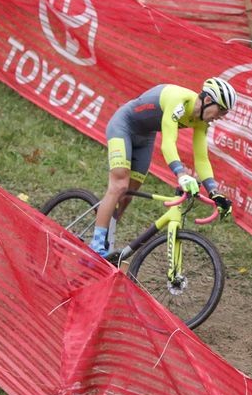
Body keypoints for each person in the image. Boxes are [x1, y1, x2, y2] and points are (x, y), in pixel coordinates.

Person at [88, 78, 236, 259]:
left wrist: (214, 191)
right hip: (123, 126)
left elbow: (202, 158)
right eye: (221, 110)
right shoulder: (179, 101)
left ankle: (106, 238)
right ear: (207, 100)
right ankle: (95, 245)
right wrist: (180, 173)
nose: (220, 116)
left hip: (145, 137)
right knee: (119, 185)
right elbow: (168, 142)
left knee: (128, 195)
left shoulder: (201, 121)